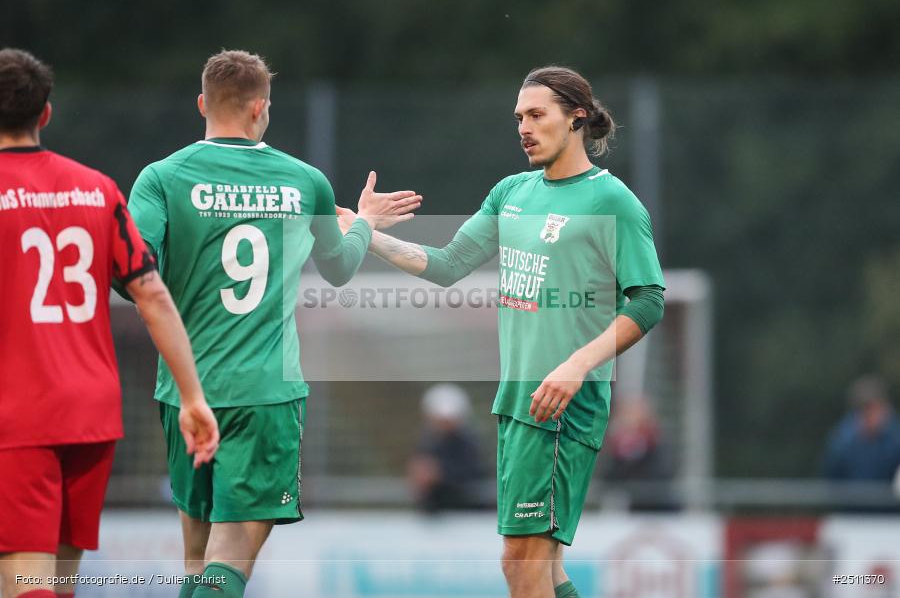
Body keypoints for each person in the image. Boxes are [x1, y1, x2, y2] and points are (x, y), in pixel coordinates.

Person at [339, 66, 665, 598]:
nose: (524, 127)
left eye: (537, 115)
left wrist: (577, 366)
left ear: (576, 117)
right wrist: (366, 233)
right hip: (517, 400)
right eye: (519, 117)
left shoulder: (613, 202)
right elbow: (447, 264)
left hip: (564, 403)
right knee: (538, 567)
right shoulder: (512, 191)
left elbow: (648, 300)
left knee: (523, 562)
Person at [123, 49, 421, 598]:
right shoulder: (305, 181)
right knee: (228, 563)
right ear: (262, 108)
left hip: (185, 392)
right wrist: (366, 224)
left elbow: (132, 269)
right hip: (265, 392)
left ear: (201, 104)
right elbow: (338, 269)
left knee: (197, 560)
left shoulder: (161, 178)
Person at [0, 48, 219, 598]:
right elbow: (153, 297)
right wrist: (193, 397)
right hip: (91, 413)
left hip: (17, 414)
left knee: (24, 579)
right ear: (45, 114)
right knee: (58, 579)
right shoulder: (97, 188)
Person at [408, 383, 485, 512]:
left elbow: (472, 475)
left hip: (465, 512)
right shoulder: (427, 441)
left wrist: (438, 475)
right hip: (437, 513)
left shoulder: (468, 443)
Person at [823, 375, 900, 483]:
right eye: (867, 410)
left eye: (875, 409)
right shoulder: (841, 442)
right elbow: (832, 478)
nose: (872, 416)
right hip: (851, 499)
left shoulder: (895, 439)